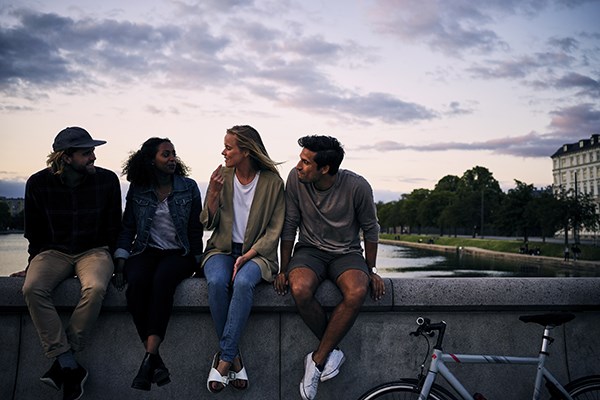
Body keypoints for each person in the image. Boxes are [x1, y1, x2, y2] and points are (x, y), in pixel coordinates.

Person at [274, 135, 385, 400]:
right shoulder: (295, 179)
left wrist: (371, 270)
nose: (299, 166)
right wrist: (283, 268)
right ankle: (332, 352)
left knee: (358, 291)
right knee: (299, 287)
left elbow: (371, 230)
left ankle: (316, 360)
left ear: (324, 168)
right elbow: (290, 224)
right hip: (309, 250)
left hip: (347, 253)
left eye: (306, 162)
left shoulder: (357, 187)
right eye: (300, 159)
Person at [20, 127, 122, 400]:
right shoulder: (38, 183)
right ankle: (68, 362)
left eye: (93, 151)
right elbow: (35, 231)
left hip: (95, 251)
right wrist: (33, 264)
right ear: (65, 157)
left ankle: (65, 360)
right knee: (32, 288)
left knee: (96, 288)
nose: (93, 157)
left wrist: (116, 262)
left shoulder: (107, 180)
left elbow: (115, 227)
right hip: (53, 251)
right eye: (86, 153)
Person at [113, 138, 203, 391]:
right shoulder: (138, 188)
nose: (172, 158)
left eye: (174, 154)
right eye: (166, 155)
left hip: (179, 253)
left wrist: (199, 263)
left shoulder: (188, 187)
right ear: (151, 160)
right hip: (145, 251)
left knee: (163, 281)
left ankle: (149, 360)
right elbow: (128, 226)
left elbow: (195, 230)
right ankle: (155, 361)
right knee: (137, 284)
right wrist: (120, 262)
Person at [201, 125, 285, 393]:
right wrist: (213, 194)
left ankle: (224, 360)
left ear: (246, 151)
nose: (223, 151)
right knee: (216, 281)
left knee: (243, 283)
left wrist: (249, 255)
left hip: (258, 254)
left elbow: (275, 229)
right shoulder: (221, 176)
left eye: (228, 147)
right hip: (222, 250)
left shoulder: (273, 182)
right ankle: (233, 357)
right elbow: (207, 222)